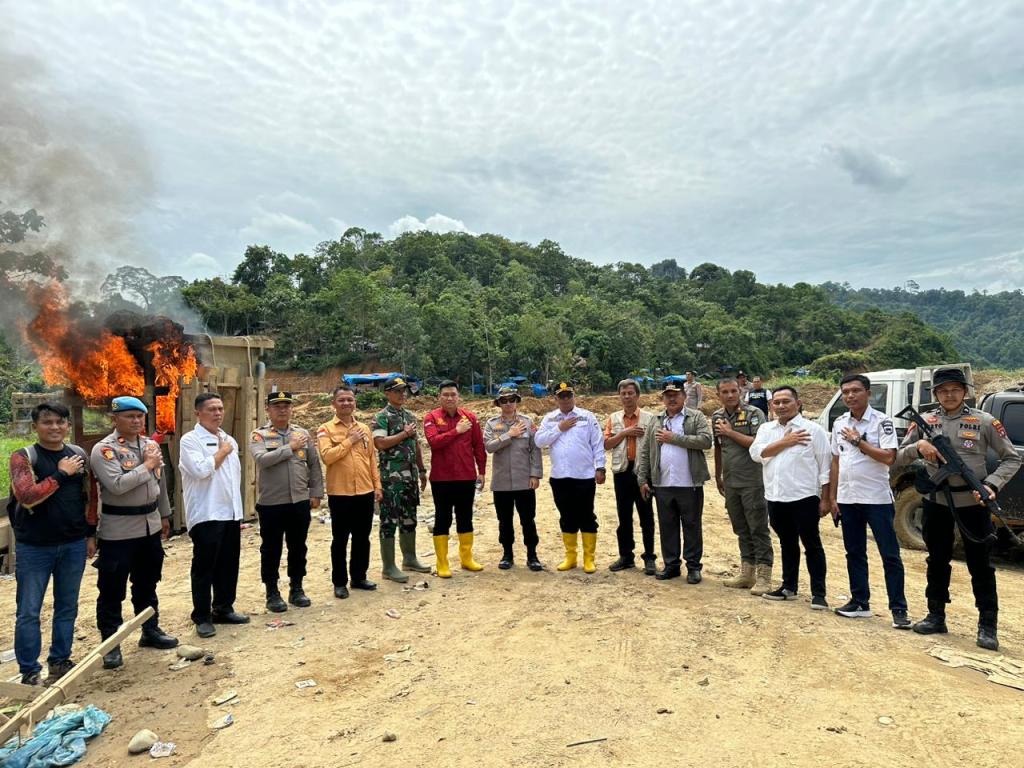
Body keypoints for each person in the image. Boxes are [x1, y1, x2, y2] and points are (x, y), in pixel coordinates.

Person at [894, 368, 1020, 650]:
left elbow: (1012, 459)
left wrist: (992, 485)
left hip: (972, 504)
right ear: (936, 394)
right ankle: (935, 615)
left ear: (965, 392)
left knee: (981, 565)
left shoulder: (985, 421)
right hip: (936, 502)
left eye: (955, 389)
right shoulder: (925, 421)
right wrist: (919, 447)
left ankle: (988, 626)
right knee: (937, 560)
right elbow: (898, 457)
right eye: (943, 390)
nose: (949, 395)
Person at [90, 396, 178, 671]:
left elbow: (160, 484)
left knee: (147, 582)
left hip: (149, 525)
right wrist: (146, 466)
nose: (136, 421)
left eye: (140, 416)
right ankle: (111, 643)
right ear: (114, 419)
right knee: (112, 589)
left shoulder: (150, 445)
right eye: (129, 416)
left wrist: (165, 515)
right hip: (119, 530)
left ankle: (149, 630)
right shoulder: (104, 450)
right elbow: (116, 485)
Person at [9, 402, 90, 685]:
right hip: (35, 547)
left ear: (67, 425)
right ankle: (30, 670)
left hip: (73, 543)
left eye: (60, 422)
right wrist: (60, 473)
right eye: (47, 422)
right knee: (29, 610)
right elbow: (27, 496)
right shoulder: (24, 457)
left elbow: (88, 495)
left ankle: (59, 661)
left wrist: (90, 533)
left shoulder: (78, 454)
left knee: (67, 606)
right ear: (36, 427)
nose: (54, 427)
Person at [828, 375, 910, 628]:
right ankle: (859, 602)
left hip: (875, 499)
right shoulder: (839, 422)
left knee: (890, 555)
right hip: (848, 498)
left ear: (868, 393)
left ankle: (899, 609)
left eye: (855, 391)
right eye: (845, 392)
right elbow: (835, 460)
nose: (850, 396)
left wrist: (858, 441)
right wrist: (832, 497)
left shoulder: (882, 422)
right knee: (854, 552)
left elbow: (888, 457)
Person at [749, 386, 832, 609]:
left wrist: (826, 499)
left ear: (798, 403)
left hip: (804, 498)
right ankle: (789, 587)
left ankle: (819, 593)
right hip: (776, 497)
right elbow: (756, 454)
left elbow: (825, 467)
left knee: (812, 544)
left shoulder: (813, 430)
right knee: (787, 543)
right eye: (776, 402)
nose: (781, 406)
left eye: (786, 401)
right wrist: (785, 442)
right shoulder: (766, 429)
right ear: (771, 405)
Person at [178, 392, 248, 638]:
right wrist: (222, 452)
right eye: (211, 409)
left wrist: (238, 512)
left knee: (229, 564)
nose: (218, 413)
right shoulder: (190, 440)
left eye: (220, 408)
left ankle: (224, 608)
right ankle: (202, 616)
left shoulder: (228, 439)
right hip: (207, 513)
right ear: (198, 412)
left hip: (229, 513)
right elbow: (200, 471)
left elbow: (233, 479)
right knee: (204, 567)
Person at [251, 391, 324, 612]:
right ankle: (272, 592)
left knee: (298, 547)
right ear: (268, 410)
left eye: (286, 405)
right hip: (272, 503)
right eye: (277, 406)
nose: (282, 409)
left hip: (299, 501)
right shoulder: (259, 435)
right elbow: (262, 460)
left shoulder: (302, 433)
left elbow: (313, 465)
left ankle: (297, 588)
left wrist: (316, 492)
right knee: (271, 549)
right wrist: (289, 448)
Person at [636, 382, 713, 583]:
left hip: (690, 484)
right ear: (663, 398)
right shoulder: (656, 420)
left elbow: (706, 441)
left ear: (684, 396)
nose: (672, 398)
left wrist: (674, 438)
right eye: (667, 395)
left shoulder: (695, 417)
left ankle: (694, 567)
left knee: (692, 526)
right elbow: (645, 451)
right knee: (667, 526)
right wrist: (643, 478)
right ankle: (671, 565)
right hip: (662, 484)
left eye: (675, 394)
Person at [317, 385, 382, 598]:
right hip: (340, 493)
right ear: (333, 404)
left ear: (355, 403)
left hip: (364, 491)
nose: (346, 403)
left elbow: (372, 459)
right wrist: (349, 440)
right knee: (340, 539)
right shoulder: (325, 429)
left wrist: (377, 486)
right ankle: (339, 582)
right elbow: (327, 457)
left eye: (350, 400)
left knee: (362, 537)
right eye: (342, 400)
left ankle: (359, 577)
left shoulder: (365, 428)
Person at [535, 382, 606, 573]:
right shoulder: (549, 419)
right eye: (561, 396)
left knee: (587, 516)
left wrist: (600, 467)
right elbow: (539, 441)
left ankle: (589, 559)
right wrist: (559, 428)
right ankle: (571, 557)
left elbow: (597, 443)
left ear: (574, 397)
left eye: (569, 395)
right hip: (560, 477)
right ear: (555, 399)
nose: (565, 399)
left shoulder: (586, 417)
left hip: (583, 476)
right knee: (566, 516)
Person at [712, 378, 773, 595]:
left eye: (733, 391)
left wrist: (730, 432)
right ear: (718, 394)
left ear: (740, 391)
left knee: (758, 527)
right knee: (740, 527)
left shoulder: (754, 414)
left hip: (752, 481)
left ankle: (765, 575)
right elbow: (719, 447)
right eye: (725, 392)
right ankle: (747, 573)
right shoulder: (717, 417)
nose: (730, 395)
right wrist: (718, 475)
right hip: (731, 481)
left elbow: (759, 444)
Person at [424, 380, 487, 577]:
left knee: (465, 517)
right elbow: (434, 442)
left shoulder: (471, 418)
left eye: (453, 394)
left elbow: (478, 446)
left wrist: (482, 471)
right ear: (439, 397)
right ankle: (442, 562)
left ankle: (466, 558)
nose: (450, 398)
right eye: (446, 395)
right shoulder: (431, 417)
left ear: (459, 397)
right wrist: (456, 431)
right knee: (443, 518)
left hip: (466, 476)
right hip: (441, 478)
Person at [371, 377, 429, 583]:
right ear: (387, 393)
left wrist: (422, 470)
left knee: (409, 518)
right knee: (389, 521)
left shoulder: (409, 415)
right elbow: (380, 443)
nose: (402, 394)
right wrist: (403, 434)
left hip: (410, 477)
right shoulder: (381, 417)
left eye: (404, 390)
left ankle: (410, 558)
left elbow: (417, 445)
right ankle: (388, 567)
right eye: (397, 391)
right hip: (390, 479)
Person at [484, 386, 543, 571]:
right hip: (501, 482)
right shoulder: (492, 424)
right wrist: (509, 435)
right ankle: (507, 554)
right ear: (499, 403)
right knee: (505, 520)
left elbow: (535, 449)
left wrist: (535, 474)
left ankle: (532, 555)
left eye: (512, 400)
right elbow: (489, 447)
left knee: (528, 519)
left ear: (517, 401)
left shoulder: (527, 422)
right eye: (504, 400)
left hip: (524, 480)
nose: (508, 404)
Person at [604, 378, 658, 575]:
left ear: (637, 395)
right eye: (623, 393)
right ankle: (626, 556)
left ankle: (649, 557)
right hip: (622, 472)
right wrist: (626, 433)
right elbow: (607, 444)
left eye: (630, 393)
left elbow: (655, 446)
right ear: (619, 396)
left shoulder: (650, 418)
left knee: (646, 516)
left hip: (644, 473)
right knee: (624, 516)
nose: (627, 397)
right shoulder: (614, 418)